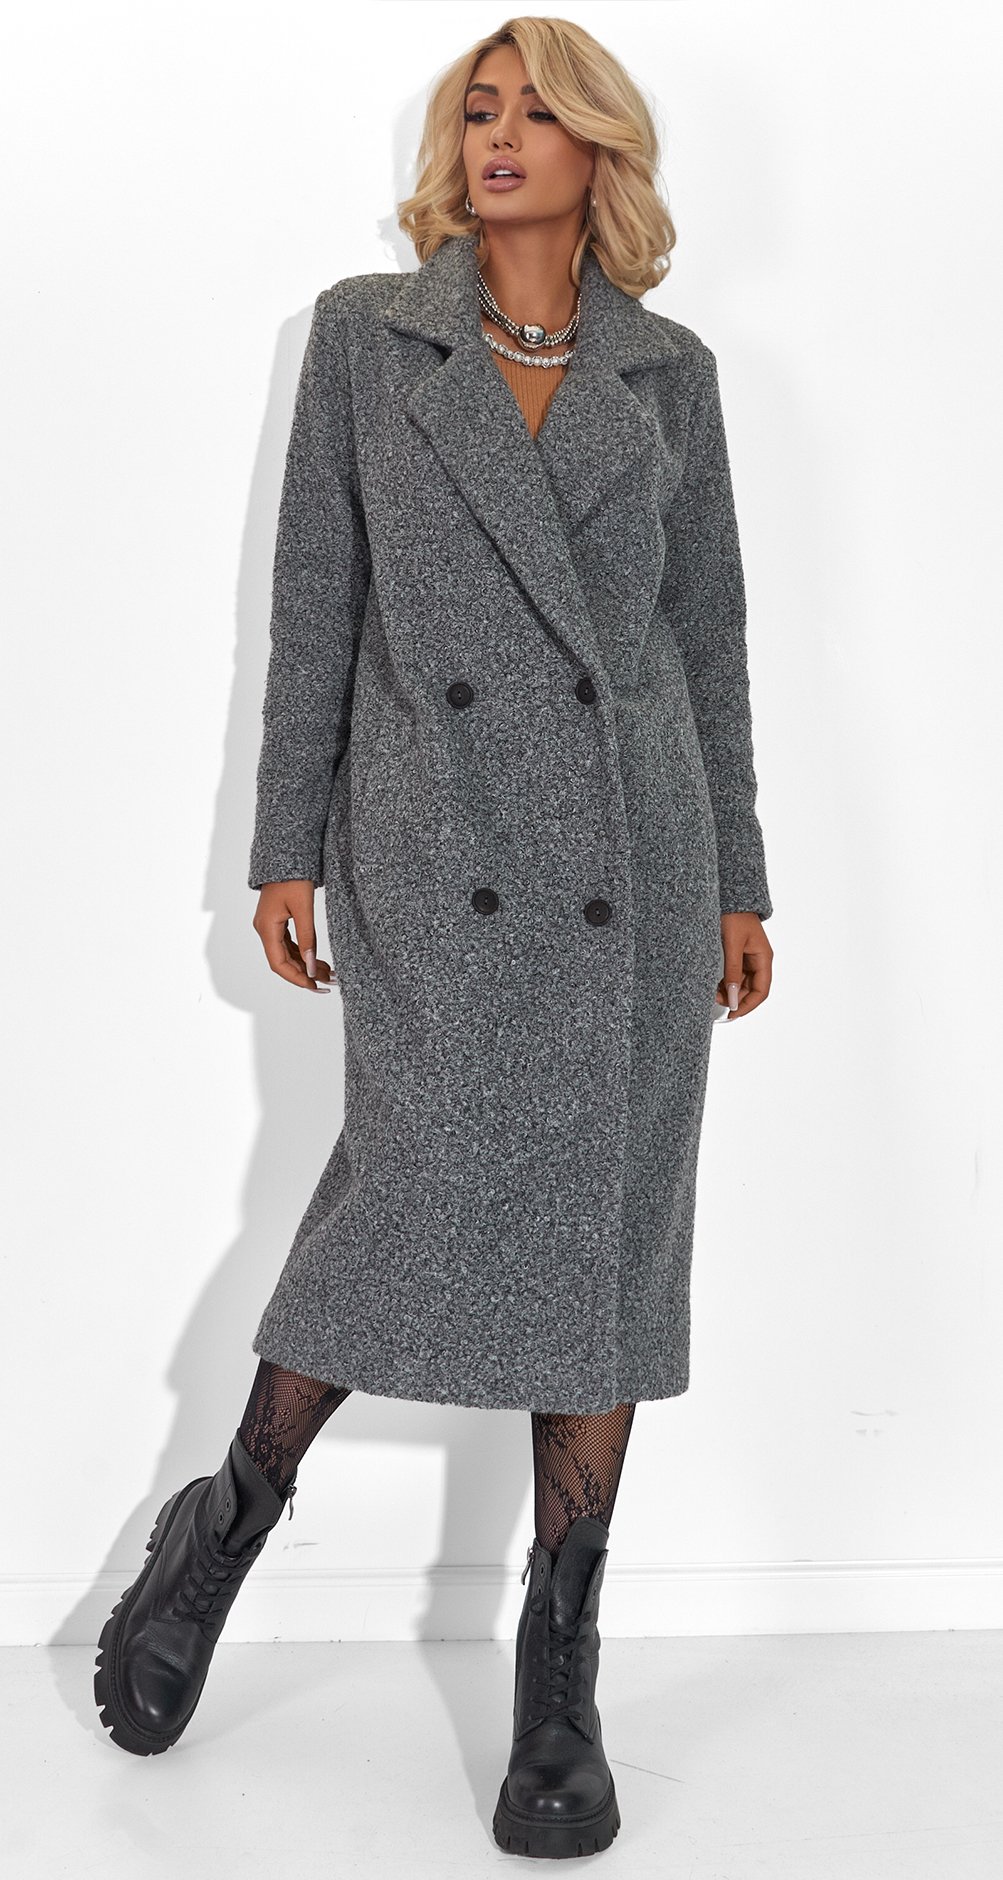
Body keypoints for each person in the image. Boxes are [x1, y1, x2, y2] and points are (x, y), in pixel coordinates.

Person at [93, 15, 774, 1862]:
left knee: (609, 1230)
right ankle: (224, 1527)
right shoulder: (367, 338)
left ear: (603, 149)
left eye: (539, 111)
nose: (500, 136)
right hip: (434, 843)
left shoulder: (671, 374)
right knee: (403, 1188)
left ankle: (560, 1676)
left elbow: (705, 635)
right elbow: (314, 603)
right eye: (480, 109)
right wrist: (283, 843)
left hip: (634, 857)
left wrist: (740, 874)